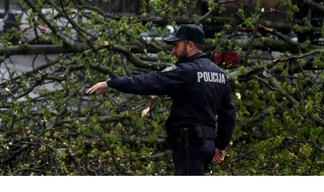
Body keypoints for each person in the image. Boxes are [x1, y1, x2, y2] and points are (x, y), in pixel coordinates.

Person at [86, 24, 237, 176]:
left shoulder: (186, 72)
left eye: (176, 46)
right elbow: (228, 114)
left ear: (190, 45)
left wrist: (111, 83)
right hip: (207, 144)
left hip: (189, 143)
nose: (173, 51)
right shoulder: (220, 74)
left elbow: (148, 82)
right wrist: (221, 145)